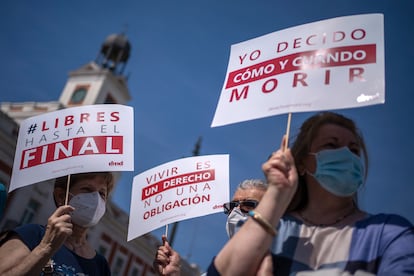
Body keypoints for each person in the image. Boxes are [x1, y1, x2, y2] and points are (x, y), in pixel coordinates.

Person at [207, 111, 414, 275]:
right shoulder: (269, 232)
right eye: (331, 145)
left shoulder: (389, 233)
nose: (346, 155)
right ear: (304, 162)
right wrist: (277, 193)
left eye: (354, 150)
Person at [0, 172, 114, 275]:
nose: (96, 199)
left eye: (102, 193)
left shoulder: (101, 265)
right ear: (61, 196)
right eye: (87, 189)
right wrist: (46, 248)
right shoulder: (32, 235)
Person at [153, 179, 268, 276]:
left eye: (248, 205)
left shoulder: (281, 263)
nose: (236, 212)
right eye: (231, 206)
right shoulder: (214, 271)